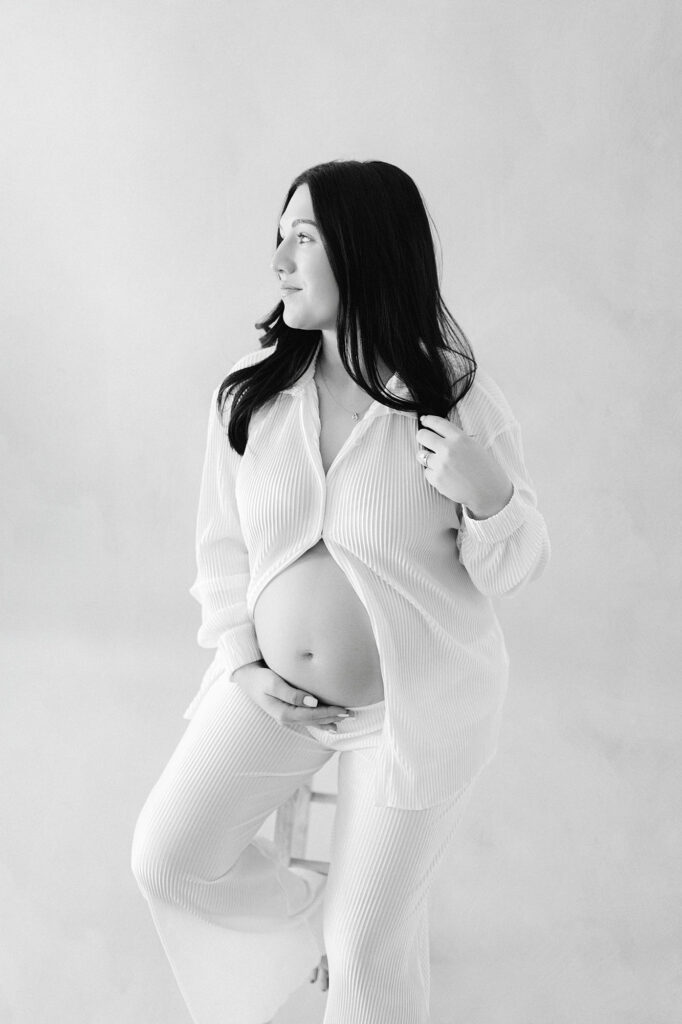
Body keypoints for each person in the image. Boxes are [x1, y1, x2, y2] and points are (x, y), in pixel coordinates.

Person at [131, 159, 550, 1024]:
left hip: (413, 712)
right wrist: (241, 661)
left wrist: (489, 495)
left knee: (367, 956)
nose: (280, 259)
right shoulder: (253, 393)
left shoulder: (452, 399)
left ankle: (356, 933)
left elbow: (517, 568)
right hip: (275, 696)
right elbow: (221, 550)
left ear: (365, 251)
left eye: (305, 237)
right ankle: (309, 935)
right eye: (277, 237)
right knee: (168, 857)